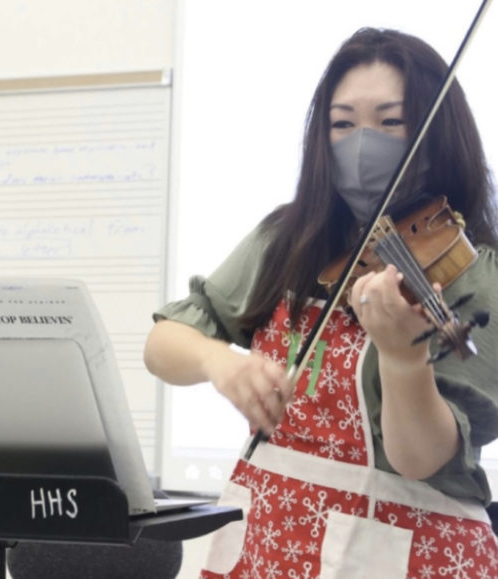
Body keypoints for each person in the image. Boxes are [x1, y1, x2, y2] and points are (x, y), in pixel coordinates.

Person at [144, 27, 498, 577]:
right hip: (270, 540)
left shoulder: (477, 273)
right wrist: (219, 362)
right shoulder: (291, 239)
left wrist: (405, 358)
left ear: (434, 130)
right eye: (343, 124)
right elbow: (163, 344)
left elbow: (422, 459)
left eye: (389, 121)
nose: (362, 142)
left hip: (407, 552)